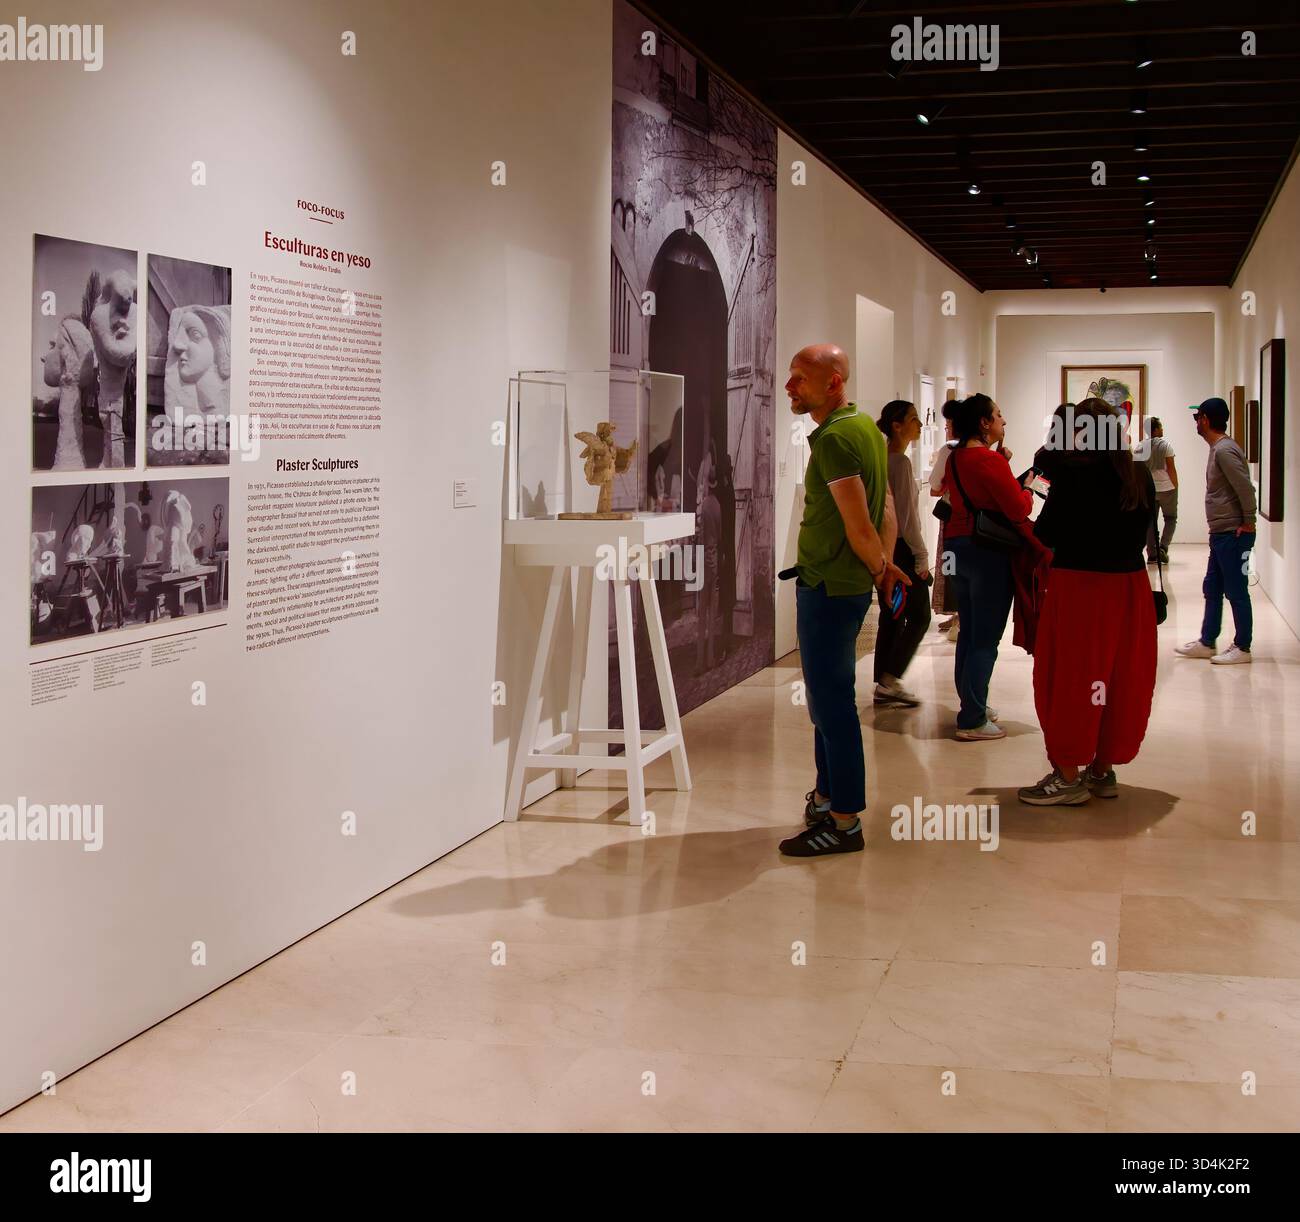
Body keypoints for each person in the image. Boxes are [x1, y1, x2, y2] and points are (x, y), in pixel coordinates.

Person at [779, 343, 906, 858]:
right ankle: (828, 796)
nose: (790, 387)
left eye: (799, 378)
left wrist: (880, 570)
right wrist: (886, 562)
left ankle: (845, 820)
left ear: (833, 383)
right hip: (840, 583)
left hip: (831, 587)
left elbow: (858, 523)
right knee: (825, 700)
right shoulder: (866, 430)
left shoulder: (833, 440)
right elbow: (887, 508)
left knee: (831, 704)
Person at [1018, 398, 1157, 805]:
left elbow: (1046, 533)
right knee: (1117, 676)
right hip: (1129, 587)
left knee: (1070, 679)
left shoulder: (1073, 475)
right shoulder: (1138, 474)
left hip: (1080, 587)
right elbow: (1146, 528)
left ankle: (1066, 775)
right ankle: (1102, 768)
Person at [941, 393, 1036, 741]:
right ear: (984, 423)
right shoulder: (988, 461)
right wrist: (1025, 487)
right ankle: (973, 718)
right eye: (998, 415)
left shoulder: (954, 458)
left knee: (968, 632)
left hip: (956, 548)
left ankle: (972, 704)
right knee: (985, 638)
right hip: (987, 553)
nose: (1003, 421)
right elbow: (1018, 509)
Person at [1175, 397, 1256, 665]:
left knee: (1236, 590)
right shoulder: (1219, 448)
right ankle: (1207, 641)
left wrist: (1247, 521)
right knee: (1213, 586)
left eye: (1197, 417)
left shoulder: (1223, 450)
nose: (1196, 423)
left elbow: (1245, 487)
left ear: (1206, 420)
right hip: (1221, 533)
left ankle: (1242, 646)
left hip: (1233, 533)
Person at [873, 400, 931, 705]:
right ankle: (889, 678)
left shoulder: (881, 459)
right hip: (903, 553)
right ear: (897, 425)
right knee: (920, 615)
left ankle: (885, 679)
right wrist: (921, 557)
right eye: (914, 419)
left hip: (885, 550)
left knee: (892, 613)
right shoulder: (900, 463)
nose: (919, 424)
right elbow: (907, 517)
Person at [928, 399, 960, 640]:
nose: (947, 427)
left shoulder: (949, 449)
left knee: (951, 563)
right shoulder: (979, 448)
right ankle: (958, 613)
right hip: (969, 518)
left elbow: (935, 484)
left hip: (952, 516)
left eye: (948, 423)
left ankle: (958, 614)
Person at [1143, 416, 1178, 564]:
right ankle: (1163, 547)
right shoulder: (1166, 446)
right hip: (1167, 488)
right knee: (1170, 518)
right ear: (1156, 430)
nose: (1162, 429)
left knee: (1151, 521)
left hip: (1150, 488)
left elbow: (1138, 470)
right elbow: (1171, 468)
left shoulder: (1141, 447)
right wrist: (1176, 485)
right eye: (1161, 427)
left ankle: (1152, 554)